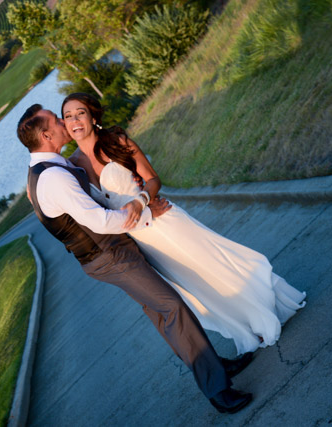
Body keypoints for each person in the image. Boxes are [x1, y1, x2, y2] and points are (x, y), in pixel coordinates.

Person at [17, 103, 253, 414]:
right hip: (109, 255)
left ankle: (214, 365)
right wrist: (143, 214)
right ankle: (218, 390)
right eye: (56, 120)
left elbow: (97, 200)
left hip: (109, 253)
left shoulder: (44, 171)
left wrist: (137, 204)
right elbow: (99, 220)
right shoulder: (52, 178)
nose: (64, 122)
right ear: (47, 134)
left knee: (159, 311)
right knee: (171, 307)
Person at [61, 92, 307, 355]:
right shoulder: (72, 168)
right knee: (194, 286)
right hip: (139, 241)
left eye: (80, 113)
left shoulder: (117, 141)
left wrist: (141, 201)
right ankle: (245, 329)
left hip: (165, 222)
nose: (75, 120)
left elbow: (153, 179)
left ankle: (264, 311)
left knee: (211, 263)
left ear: (93, 116)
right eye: (68, 116)